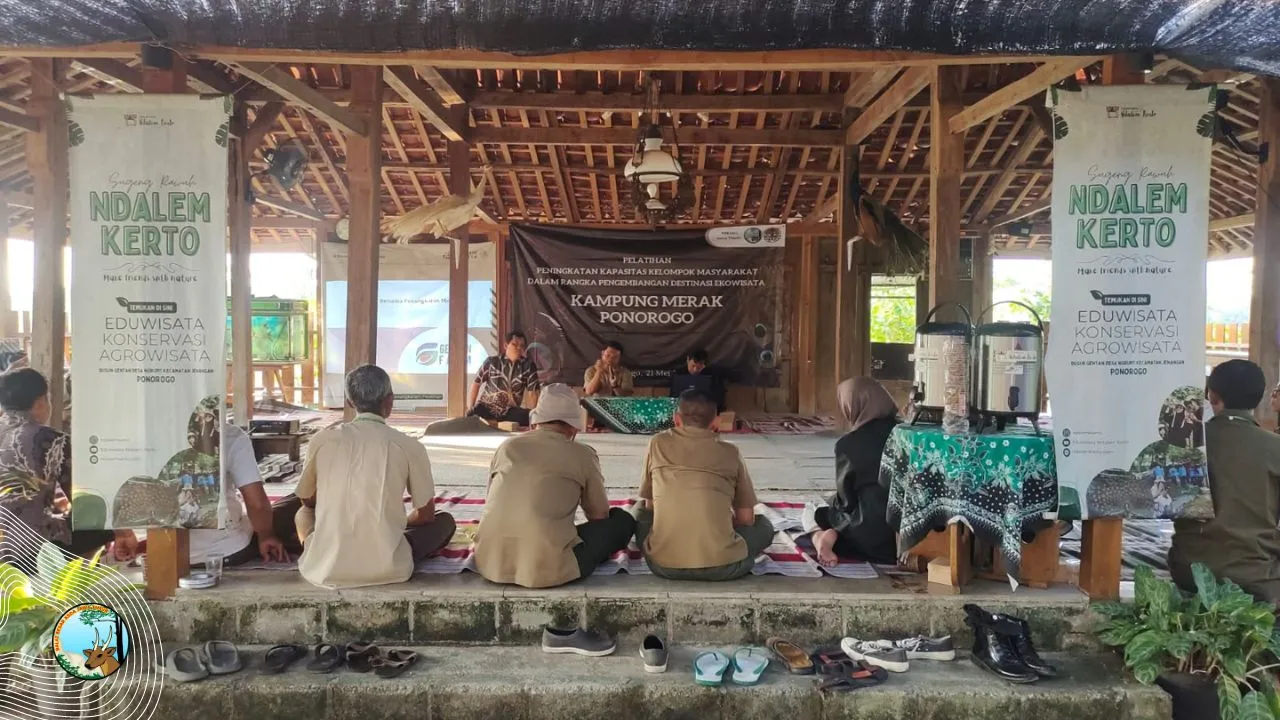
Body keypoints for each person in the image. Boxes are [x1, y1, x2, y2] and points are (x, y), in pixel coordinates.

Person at [294, 364, 456, 589]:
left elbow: (307, 500)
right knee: (444, 522)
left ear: (350, 402)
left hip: (325, 569)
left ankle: (316, 549)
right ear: (389, 400)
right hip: (389, 567)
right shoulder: (408, 445)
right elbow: (426, 515)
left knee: (303, 513)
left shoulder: (322, 440)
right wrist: (398, 524)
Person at [474, 384, 637, 588]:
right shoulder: (583, 454)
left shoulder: (507, 447)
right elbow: (599, 516)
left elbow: (492, 498)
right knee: (622, 520)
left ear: (537, 420)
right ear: (574, 426)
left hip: (490, 560)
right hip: (548, 567)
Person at [1168, 359, 1280, 605]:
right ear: (1260, 398)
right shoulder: (1275, 448)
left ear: (1212, 396)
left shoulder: (1185, 444)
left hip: (1189, 573)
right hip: (1257, 578)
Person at [633, 389, 774, 581]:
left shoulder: (657, 443)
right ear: (716, 422)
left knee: (639, 511)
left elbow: (651, 506)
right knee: (764, 525)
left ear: (676, 419)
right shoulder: (730, 452)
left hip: (662, 564)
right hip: (724, 566)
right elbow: (746, 518)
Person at [0, 368, 136, 564]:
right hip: (28, 550)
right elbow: (89, 500)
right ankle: (68, 584)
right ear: (40, 402)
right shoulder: (52, 439)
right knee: (98, 521)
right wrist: (124, 533)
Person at [811, 378, 900, 567]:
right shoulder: (909, 436)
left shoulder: (848, 445)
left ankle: (821, 537)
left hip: (873, 540)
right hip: (913, 535)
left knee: (818, 513)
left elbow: (846, 501)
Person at [187, 419, 301, 567]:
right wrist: (266, 535)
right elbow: (256, 503)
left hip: (166, 554)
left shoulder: (151, 434)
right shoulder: (229, 433)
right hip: (227, 551)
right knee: (299, 500)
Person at [468, 331, 541, 427]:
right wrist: (470, 407)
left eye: (522, 346)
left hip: (510, 411)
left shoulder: (528, 366)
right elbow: (476, 384)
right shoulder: (492, 362)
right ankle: (493, 423)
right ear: (506, 345)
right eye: (515, 344)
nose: (519, 348)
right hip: (487, 408)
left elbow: (533, 393)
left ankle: (494, 423)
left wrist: (533, 418)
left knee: (530, 417)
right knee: (472, 415)